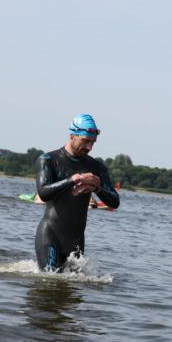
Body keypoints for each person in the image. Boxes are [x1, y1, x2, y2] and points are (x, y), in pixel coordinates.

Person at [34, 114, 119, 271]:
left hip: (76, 242)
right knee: (48, 281)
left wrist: (98, 188)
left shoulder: (96, 167)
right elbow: (43, 193)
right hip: (50, 236)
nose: (89, 147)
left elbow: (115, 202)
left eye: (93, 142)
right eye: (85, 141)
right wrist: (74, 179)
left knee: (73, 285)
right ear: (72, 136)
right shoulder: (48, 160)